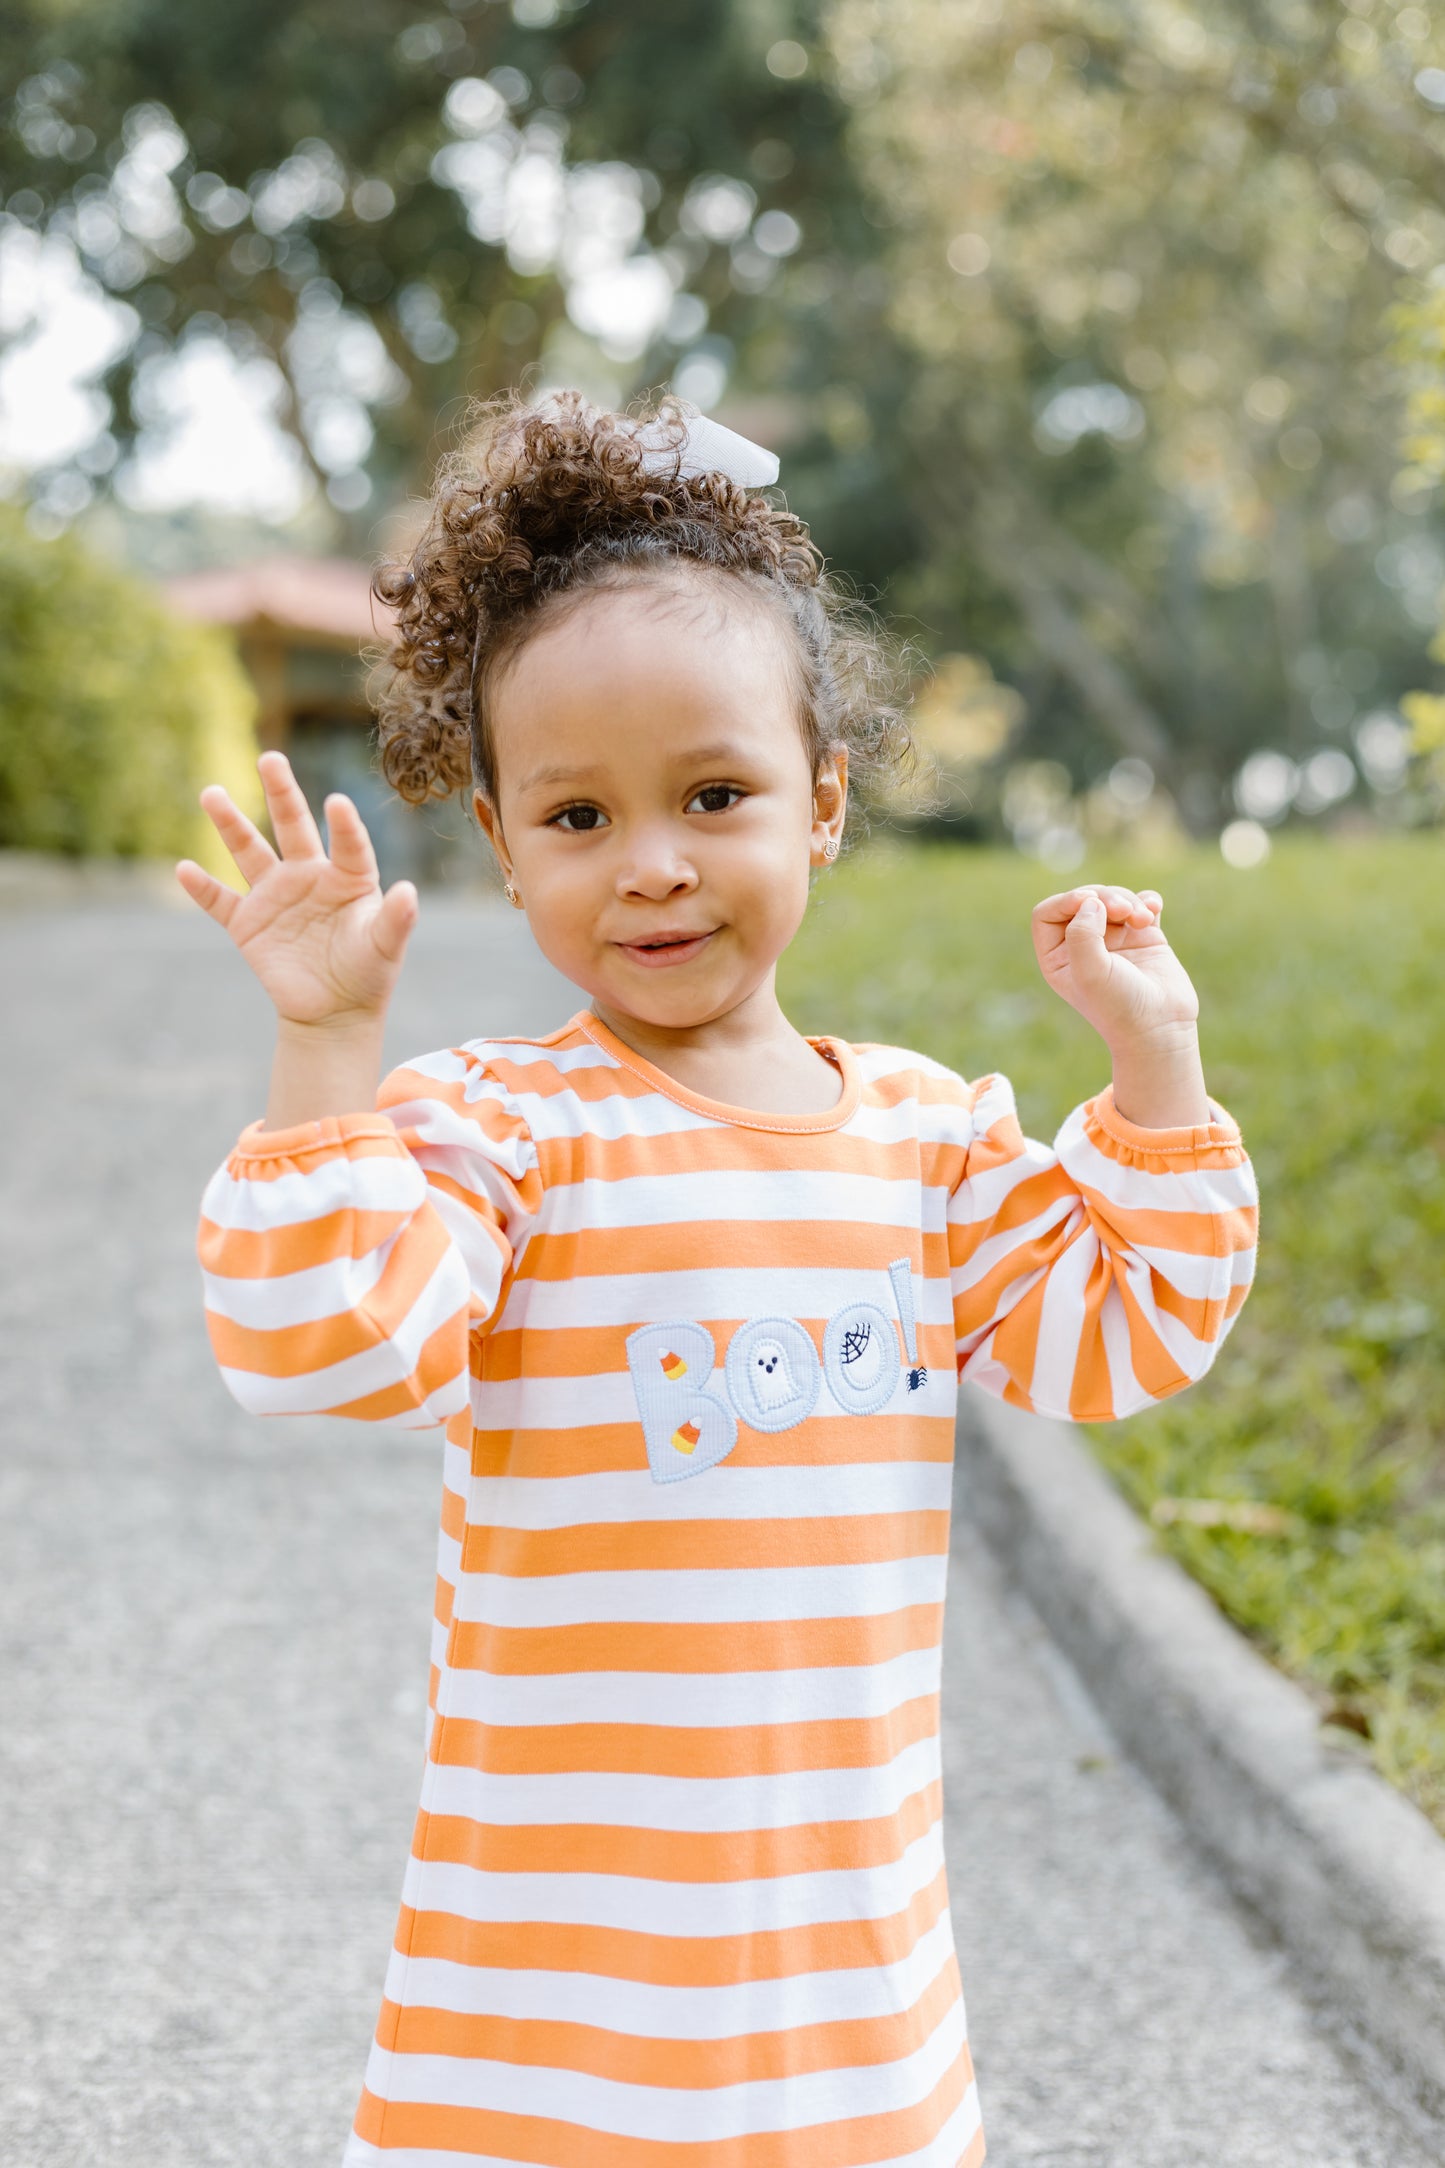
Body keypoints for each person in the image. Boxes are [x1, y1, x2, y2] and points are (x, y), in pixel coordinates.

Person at [178, 391, 1258, 2168]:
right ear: (505, 847)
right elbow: (318, 1353)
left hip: (841, 2014)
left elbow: (1120, 1336)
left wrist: (1154, 1072)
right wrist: (328, 1052)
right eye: (579, 815)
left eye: (715, 793)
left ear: (820, 809)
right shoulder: (494, 1129)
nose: (655, 861)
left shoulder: (922, 1138)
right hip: (542, 2018)